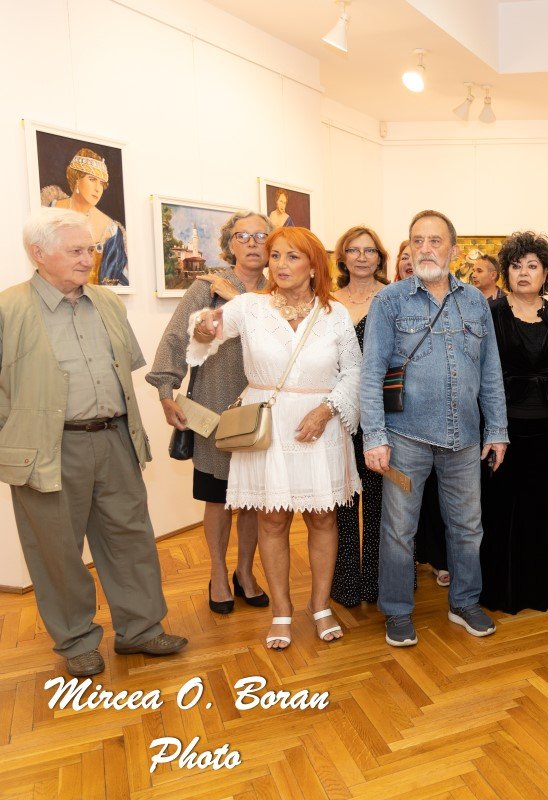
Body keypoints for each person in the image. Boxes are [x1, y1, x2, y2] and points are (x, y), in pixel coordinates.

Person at [3, 207, 187, 677]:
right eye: (76, 250)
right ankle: (76, 640)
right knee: (57, 550)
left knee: (131, 537)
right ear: (38, 253)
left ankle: (140, 629)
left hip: (114, 438)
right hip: (48, 448)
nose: (88, 259)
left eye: (91, 249)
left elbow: (123, 369)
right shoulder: (9, 309)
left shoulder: (107, 302)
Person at [189, 226, 362, 650]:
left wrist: (326, 410)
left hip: (322, 426)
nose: (280, 265)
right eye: (276, 255)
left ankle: (320, 606)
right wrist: (204, 328)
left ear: (313, 266)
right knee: (271, 519)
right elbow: (205, 337)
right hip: (267, 427)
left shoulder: (335, 314)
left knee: (323, 519)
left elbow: (355, 372)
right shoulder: (250, 306)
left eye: (292, 256)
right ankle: (281, 612)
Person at [361, 210, 508, 647]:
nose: (425, 249)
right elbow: (371, 373)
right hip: (404, 438)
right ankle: (397, 610)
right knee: (398, 531)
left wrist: (497, 429)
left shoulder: (476, 302)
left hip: (465, 439)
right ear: (409, 248)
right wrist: (375, 436)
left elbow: (490, 371)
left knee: (468, 527)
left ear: (454, 250)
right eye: (417, 241)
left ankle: (464, 602)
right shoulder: (390, 301)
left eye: (435, 241)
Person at [147, 211, 272, 614]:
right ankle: (218, 573)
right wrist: (166, 391)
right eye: (243, 236)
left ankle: (245, 572)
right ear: (229, 244)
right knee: (217, 498)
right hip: (213, 409)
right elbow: (174, 338)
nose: (252, 243)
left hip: (263, 411)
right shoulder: (206, 288)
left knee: (253, 499)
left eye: (261, 236)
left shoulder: (279, 291)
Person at [479, 232, 548, 614]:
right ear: (506, 272)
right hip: (502, 427)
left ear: (545, 273)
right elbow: (479, 374)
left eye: (532, 265)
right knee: (500, 506)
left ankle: (541, 587)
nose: (523, 272)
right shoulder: (491, 314)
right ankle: (500, 590)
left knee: (540, 504)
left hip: (545, 424)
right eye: (516, 265)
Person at [330, 226, 390, 608]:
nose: (362, 257)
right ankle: (347, 584)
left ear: (380, 257)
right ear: (343, 257)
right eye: (354, 250)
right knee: (343, 499)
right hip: (337, 412)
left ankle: (379, 584)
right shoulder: (327, 302)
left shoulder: (393, 297)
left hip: (384, 413)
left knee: (382, 502)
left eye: (370, 250)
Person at [44, 148, 128, 287]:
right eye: (92, 179)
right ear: (77, 179)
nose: (98, 188)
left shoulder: (110, 230)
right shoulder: (49, 210)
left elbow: (115, 281)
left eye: (101, 183)